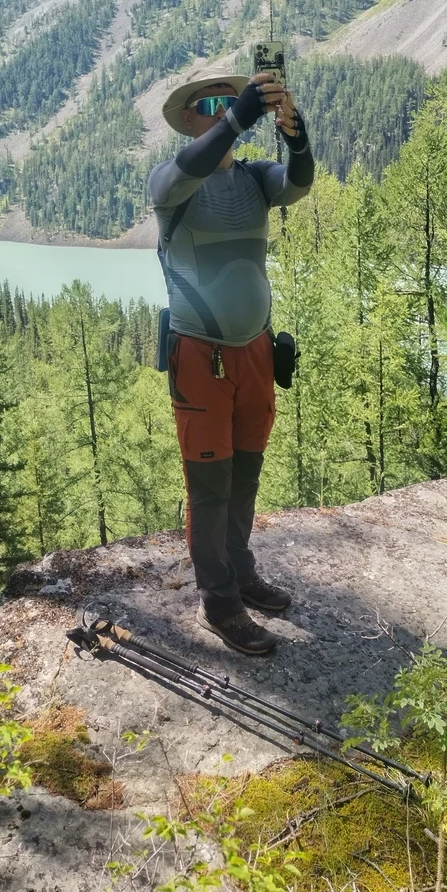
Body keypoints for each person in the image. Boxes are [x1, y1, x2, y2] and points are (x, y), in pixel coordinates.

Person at [148, 63, 314, 654]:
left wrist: (297, 136)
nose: (225, 113)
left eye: (233, 102)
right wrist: (241, 118)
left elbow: (299, 182)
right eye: (213, 107)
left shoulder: (255, 178)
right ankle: (217, 601)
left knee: (245, 474)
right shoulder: (170, 181)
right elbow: (185, 170)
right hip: (200, 356)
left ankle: (241, 573)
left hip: (257, 352)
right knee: (210, 486)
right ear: (188, 119)